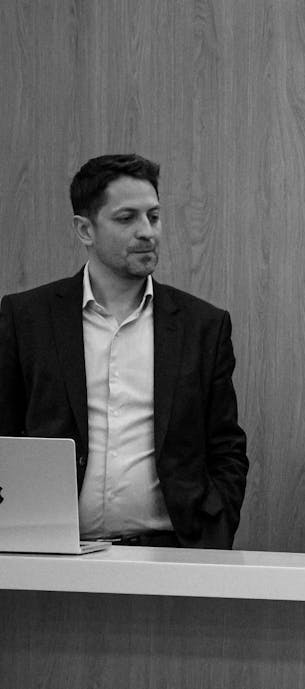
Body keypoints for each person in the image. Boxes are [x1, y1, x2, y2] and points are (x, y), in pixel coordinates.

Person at [0, 153, 249, 549]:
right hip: (52, 552)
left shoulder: (202, 326)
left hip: (171, 551)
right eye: (126, 218)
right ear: (85, 229)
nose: (147, 232)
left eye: (154, 216)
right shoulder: (26, 318)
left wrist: (214, 528)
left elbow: (226, 446)